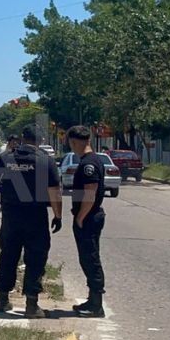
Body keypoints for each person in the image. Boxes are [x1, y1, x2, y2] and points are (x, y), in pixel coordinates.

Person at [0, 125, 62, 318]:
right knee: (36, 259)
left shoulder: (7, 157)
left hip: (11, 216)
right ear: (40, 140)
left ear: (22, 138)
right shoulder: (46, 161)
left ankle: (2, 299)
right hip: (35, 216)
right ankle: (31, 305)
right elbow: (55, 192)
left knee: (8, 256)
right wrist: (58, 216)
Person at [67, 125, 108, 317]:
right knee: (87, 258)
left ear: (74, 142)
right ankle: (91, 300)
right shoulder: (90, 160)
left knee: (91, 259)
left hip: (89, 218)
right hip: (88, 216)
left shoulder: (89, 164)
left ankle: (96, 305)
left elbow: (90, 194)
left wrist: (80, 218)